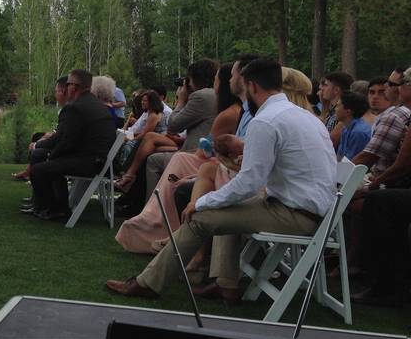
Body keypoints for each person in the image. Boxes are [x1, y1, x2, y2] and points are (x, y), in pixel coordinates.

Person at [105, 58, 337, 302]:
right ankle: (225, 284)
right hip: (310, 210)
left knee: (200, 217)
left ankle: (148, 283)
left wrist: (203, 202)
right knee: (222, 203)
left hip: (296, 214)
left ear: (252, 86)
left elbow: (248, 182)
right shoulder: (302, 116)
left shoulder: (266, 121)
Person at [115, 58, 250, 253]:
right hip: (203, 156)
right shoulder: (236, 110)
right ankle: (146, 206)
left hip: (203, 158)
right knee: (155, 147)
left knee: (157, 159)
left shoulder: (206, 99)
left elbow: (175, 125)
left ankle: (152, 214)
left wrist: (181, 99)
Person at [114, 59, 218, 192]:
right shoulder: (210, 96)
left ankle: (145, 201)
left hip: (193, 151)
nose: (142, 103)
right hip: (191, 146)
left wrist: (181, 101)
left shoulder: (201, 96)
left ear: (195, 79)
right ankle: (131, 185)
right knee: (150, 147)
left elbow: (173, 125)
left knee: (152, 156)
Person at [28, 69, 116, 221]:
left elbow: (67, 141)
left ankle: (55, 209)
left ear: (74, 87)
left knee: (38, 170)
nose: (66, 88)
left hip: (87, 162)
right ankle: (56, 206)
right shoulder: (97, 104)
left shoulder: (75, 107)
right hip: (98, 160)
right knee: (50, 162)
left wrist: (51, 156)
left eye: (68, 84)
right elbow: (70, 138)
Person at [335, 90, 373, 160]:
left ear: (348, 111)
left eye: (337, 106)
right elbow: (339, 156)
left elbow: (351, 163)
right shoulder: (346, 129)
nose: (335, 109)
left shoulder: (359, 132)